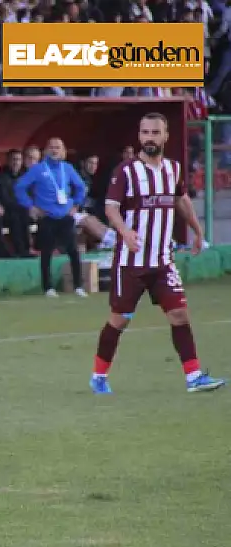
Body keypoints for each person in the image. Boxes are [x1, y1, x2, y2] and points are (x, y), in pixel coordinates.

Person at [90, 113, 225, 395]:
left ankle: (194, 376)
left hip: (163, 261)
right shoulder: (125, 172)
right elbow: (111, 207)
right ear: (140, 136)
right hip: (131, 262)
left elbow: (181, 200)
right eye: (145, 133)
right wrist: (126, 232)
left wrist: (198, 232)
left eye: (155, 133)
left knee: (179, 314)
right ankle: (99, 375)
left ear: (165, 137)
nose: (149, 138)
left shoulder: (173, 170)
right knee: (120, 319)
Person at [15, 137, 88, 297]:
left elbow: (81, 187)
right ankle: (48, 287)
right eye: (52, 147)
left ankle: (78, 286)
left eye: (58, 148)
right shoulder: (38, 169)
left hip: (65, 215)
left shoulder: (67, 168)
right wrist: (30, 206)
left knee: (73, 251)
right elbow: (19, 187)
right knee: (46, 252)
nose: (55, 150)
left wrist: (76, 205)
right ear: (46, 151)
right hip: (47, 216)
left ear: (63, 151)